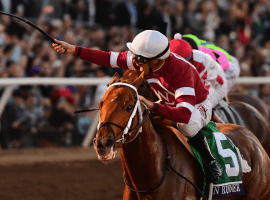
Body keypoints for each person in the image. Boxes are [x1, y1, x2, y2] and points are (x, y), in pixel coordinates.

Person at [52, 30, 222, 182]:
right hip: (167, 102)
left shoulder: (181, 71)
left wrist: (153, 107)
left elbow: (184, 114)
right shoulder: (146, 60)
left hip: (196, 106)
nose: (135, 62)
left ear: (155, 61)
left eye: (139, 59)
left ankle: (210, 162)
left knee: (187, 126)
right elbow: (106, 58)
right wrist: (73, 49)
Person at [169, 33, 227, 109]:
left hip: (217, 85)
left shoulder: (203, 62)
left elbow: (202, 93)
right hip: (198, 82)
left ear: (190, 59)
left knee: (199, 109)